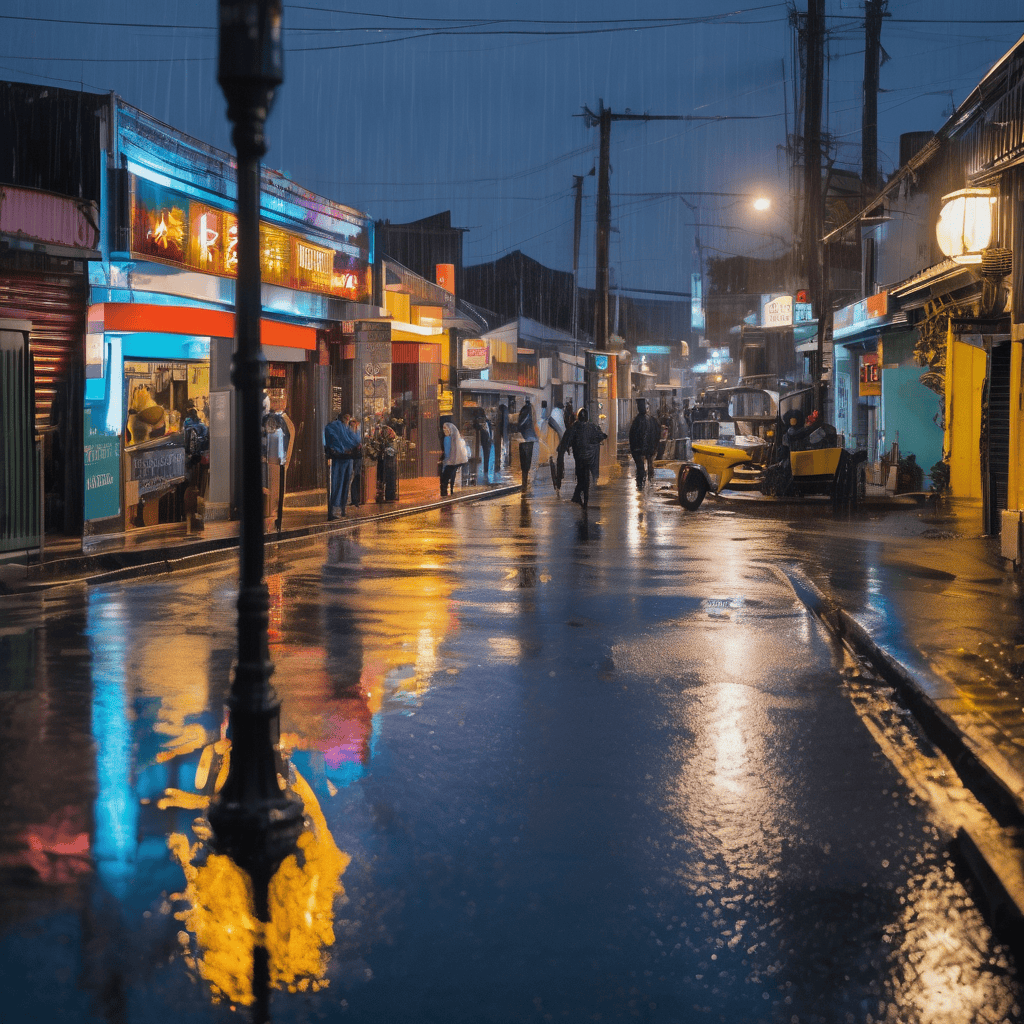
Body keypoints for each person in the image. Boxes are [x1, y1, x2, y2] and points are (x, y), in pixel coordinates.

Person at [557, 406, 606, 508]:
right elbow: (601, 436)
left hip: (579, 458)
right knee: (584, 478)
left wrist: (562, 451)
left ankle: (577, 496)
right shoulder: (592, 427)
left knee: (580, 477)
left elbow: (566, 442)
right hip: (589, 459)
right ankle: (578, 496)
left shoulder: (574, 428)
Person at [324, 411, 358, 519]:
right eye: (346, 417)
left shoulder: (348, 428)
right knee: (338, 483)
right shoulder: (334, 427)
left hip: (347, 459)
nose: (348, 419)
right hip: (340, 459)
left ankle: (341, 508)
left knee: (345, 483)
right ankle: (336, 509)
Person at [628, 398, 660, 490]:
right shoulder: (652, 420)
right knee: (647, 464)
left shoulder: (637, 421)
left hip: (640, 448)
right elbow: (657, 433)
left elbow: (632, 435)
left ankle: (641, 483)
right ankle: (648, 479)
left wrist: (634, 448)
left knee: (640, 467)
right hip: (648, 447)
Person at [515, 396, 538, 490]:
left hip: (527, 437)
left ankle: (525, 483)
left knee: (525, 463)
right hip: (531, 437)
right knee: (528, 463)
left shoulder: (526, 409)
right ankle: (527, 482)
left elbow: (522, 422)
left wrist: (517, 427)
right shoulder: (531, 409)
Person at [441, 421, 469, 496]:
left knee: (444, 479)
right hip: (454, 462)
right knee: (451, 477)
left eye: (446, 430)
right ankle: (451, 491)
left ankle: (444, 493)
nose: (444, 432)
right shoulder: (456, 439)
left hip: (448, 462)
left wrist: (445, 462)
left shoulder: (447, 439)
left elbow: (447, 453)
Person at [473, 410, 493, 483]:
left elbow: (490, 431)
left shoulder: (488, 422)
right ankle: (484, 471)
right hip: (483, 442)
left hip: (488, 441)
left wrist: (491, 438)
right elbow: (475, 426)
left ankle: (486, 470)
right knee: (483, 456)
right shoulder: (478, 423)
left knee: (487, 456)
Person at [349, 418, 363, 507]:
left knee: (357, 478)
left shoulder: (357, 434)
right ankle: (354, 499)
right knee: (353, 478)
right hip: (352, 457)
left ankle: (356, 499)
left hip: (356, 457)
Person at [495, 401, 509, 472]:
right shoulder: (505, 413)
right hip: (503, 431)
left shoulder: (501, 413)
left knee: (499, 448)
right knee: (504, 447)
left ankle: (499, 464)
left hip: (500, 431)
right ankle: (503, 463)